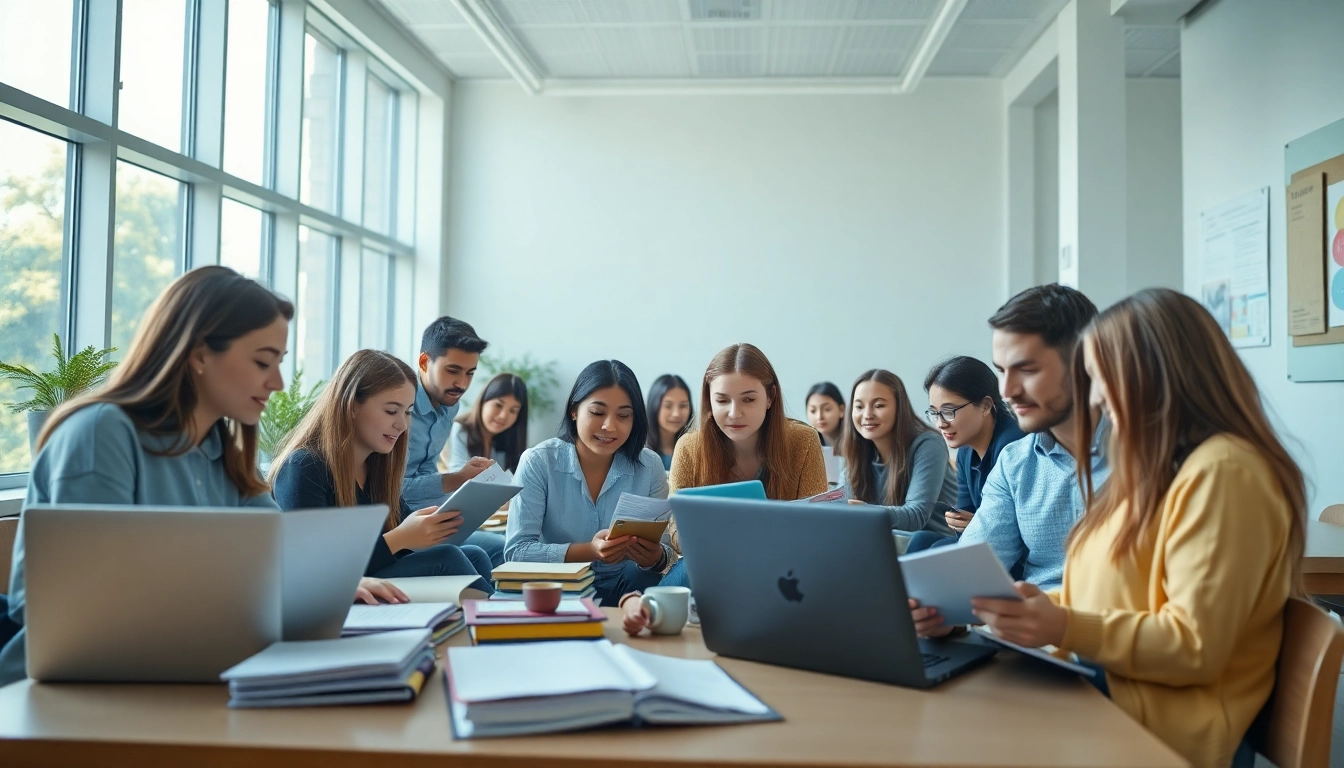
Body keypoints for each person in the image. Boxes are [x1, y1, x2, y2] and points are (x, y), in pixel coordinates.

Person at [922, 289, 1303, 768]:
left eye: (1101, 378)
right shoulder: (1153, 469)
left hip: (1156, 737)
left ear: (1155, 378)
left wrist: (1061, 623)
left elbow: (1195, 646)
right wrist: (1020, 608)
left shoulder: (1224, 472)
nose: (1095, 396)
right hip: (1109, 696)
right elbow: (1110, 597)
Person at [0, 267, 403, 687]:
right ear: (198, 354)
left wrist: (326, 585)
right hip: (71, 692)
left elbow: (277, 558)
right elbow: (82, 610)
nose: (278, 382)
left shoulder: (222, 453)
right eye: (263, 361)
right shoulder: (102, 433)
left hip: (182, 671)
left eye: (279, 363)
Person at [908, 284, 1108, 589]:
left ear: (1084, 361)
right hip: (1029, 624)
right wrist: (942, 611)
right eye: (1002, 371)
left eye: (1026, 370)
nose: (1007, 391)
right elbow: (971, 570)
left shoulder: (1150, 453)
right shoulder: (1015, 463)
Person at [270, 350, 493, 591]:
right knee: (449, 559)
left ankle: (493, 621)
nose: (403, 424)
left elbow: (404, 542)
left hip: (370, 573)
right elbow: (315, 566)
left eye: (407, 412)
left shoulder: (377, 467)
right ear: (351, 406)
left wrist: (435, 525)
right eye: (391, 411)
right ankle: (501, 624)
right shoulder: (303, 467)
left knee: (475, 554)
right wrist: (401, 538)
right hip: (333, 587)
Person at [659, 343, 828, 589]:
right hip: (709, 564)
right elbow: (677, 531)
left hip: (783, 568)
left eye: (748, 399)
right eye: (722, 400)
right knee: (687, 572)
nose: (734, 413)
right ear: (710, 400)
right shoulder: (689, 447)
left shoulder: (803, 441)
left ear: (770, 397)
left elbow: (816, 526)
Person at [504, 361, 672, 605]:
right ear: (574, 410)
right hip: (559, 588)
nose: (609, 426)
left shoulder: (650, 466)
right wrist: (590, 551)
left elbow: (664, 553)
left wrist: (654, 557)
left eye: (624, 415)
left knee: (654, 577)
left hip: (628, 590)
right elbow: (516, 552)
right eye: (597, 413)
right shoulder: (538, 461)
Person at [401, 316, 505, 566]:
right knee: (479, 555)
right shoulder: (400, 409)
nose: (462, 384)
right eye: (453, 371)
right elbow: (389, 488)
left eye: (470, 373)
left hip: (434, 519)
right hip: (402, 527)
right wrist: (456, 479)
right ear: (424, 362)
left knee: (503, 547)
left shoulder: (449, 404)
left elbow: (426, 470)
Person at [904, 356, 1026, 550]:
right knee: (921, 539)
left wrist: (977, 525)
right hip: (982, 542)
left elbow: (1026, 528)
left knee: (936, 548)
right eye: (935, 413)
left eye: (949, 411)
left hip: (1012, 553)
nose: (940, 423)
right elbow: (965, 519)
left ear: (985, 406)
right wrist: (960, 522)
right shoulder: (965, 452)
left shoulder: (1013, 446)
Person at [838, 369, 957, 535]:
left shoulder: (928, 444)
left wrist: (865, 512)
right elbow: (841, 508)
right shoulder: (857, 450)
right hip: (884, 545)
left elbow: (917, 515)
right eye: (859, 406)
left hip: (932, 545)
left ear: (899, 408)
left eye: (879, 405)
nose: (867, 415)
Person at [444, 372, 528, 474]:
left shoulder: (507, 441)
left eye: (513, 411)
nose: (503, 416)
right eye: (498, 405)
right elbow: (458, 478)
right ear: (483, 401)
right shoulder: (460, 430)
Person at [645, 374, 694, 471]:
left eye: (683, 406)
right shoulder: (640, 453)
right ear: (654, 406)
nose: (676, 414)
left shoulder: (694, 451)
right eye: (668, 406)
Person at [804, 382, 845, 448]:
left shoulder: (856, 443)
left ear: (841, 410)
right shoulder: (807, 446)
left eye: (827, 409)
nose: (819, 417)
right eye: (813, 411)